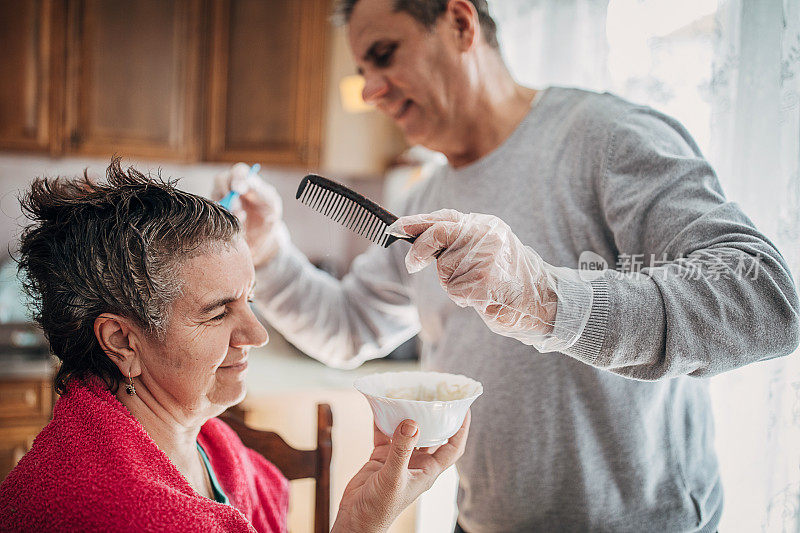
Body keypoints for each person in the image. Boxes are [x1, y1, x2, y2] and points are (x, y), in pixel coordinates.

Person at [215, 1, 800, 531]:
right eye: (362, 70)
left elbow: (766, 301)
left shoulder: (610, 139)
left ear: (461, 23)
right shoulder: (423, 200)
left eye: (384, 56)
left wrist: (545, 299)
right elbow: (347, 329)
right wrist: (269, 251)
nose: (369, 90)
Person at [0, 159, 470, 533]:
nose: (258, 335)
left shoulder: (202, 441)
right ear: (123, 340)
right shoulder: (115, 513)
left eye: (250, 300)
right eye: (218, 311)